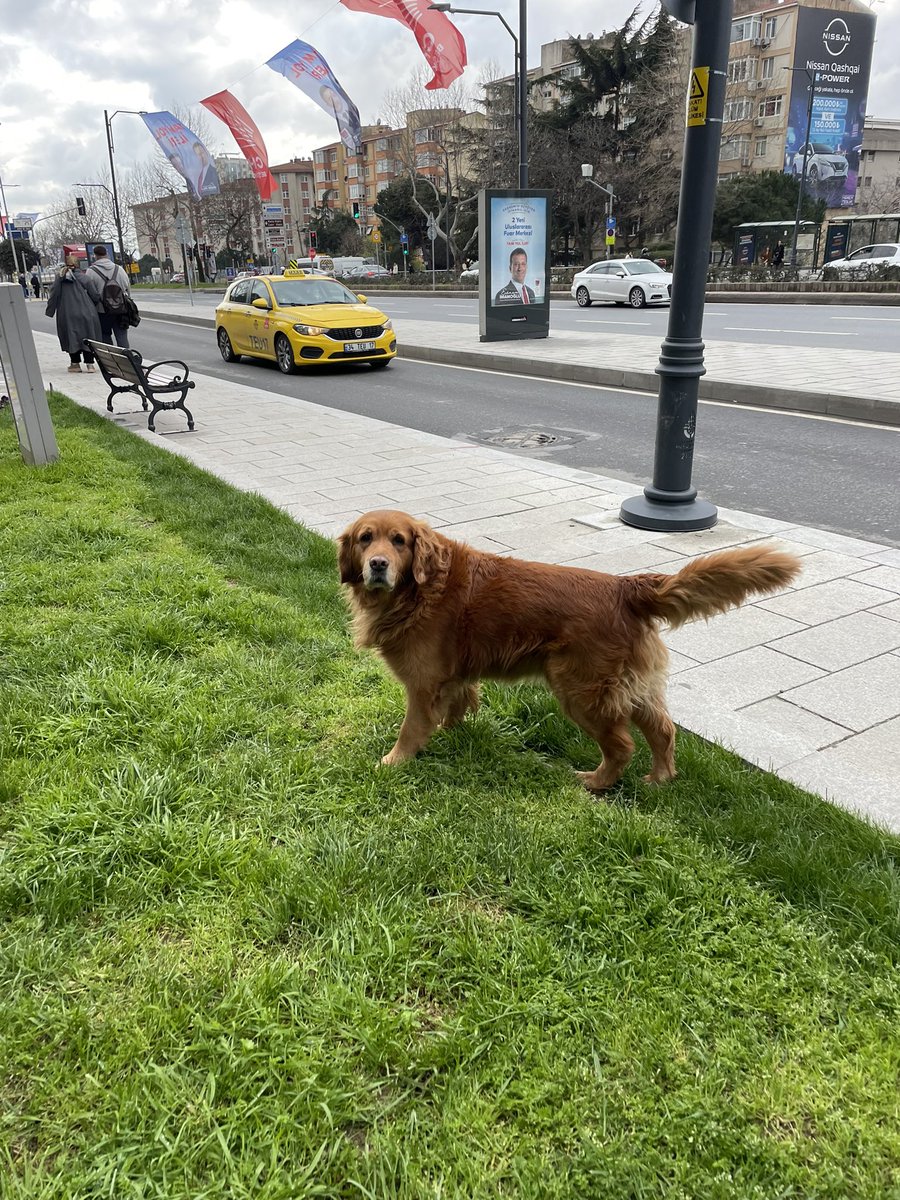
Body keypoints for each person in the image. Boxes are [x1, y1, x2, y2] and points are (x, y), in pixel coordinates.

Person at [44, 255, 102, 372]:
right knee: (89, 335)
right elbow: (95, 295)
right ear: (78, 265)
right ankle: (90, 364)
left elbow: (54, 295)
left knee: (71, 336)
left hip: (67, 313)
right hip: (87, 312)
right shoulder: (85, 278)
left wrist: (50, 311)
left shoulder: (60, 278)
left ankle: (75, 364)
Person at [85, 244, 132, 348]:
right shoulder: (119, 269)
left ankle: (110, 362)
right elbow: (127, 289)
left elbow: (90, 293)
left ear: (95, 256)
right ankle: (125, 361)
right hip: (120, 310)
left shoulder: (91, 271)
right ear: (107, 254)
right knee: (122, 338)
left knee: (105, 337)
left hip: (102, 311)